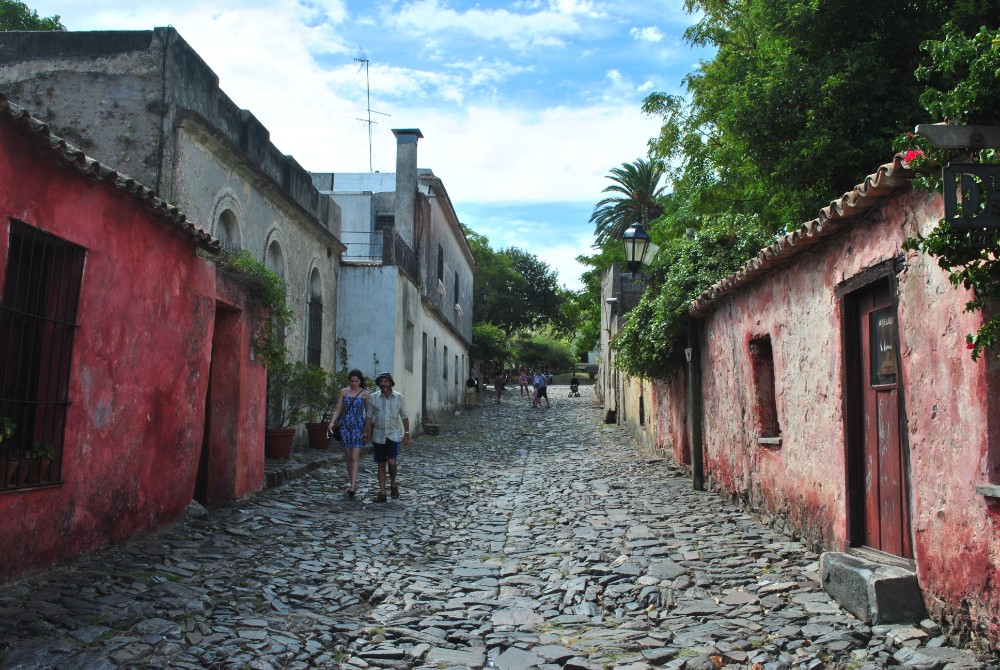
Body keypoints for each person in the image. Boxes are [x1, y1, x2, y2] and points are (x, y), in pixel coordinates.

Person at [365, 371, 410, 502]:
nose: (383, 383)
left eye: (386, 381)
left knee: (392, 461)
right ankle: (382, 492)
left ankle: (393, 483)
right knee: (380, 464)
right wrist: (366, 431)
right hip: (378, 435)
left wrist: (406, 433)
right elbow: (369, 416)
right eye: (381, 381)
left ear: (390, 383)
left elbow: (405, 416)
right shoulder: (374, 397)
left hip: (393, 434)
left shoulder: (399, 397)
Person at [327, 369, 369, 497]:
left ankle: (353, 485)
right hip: (345, 426)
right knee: (348, 456)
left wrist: (366, 429)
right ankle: (351, 481)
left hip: (358, 426)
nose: (354, 383)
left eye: (356, 381)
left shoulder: (365, 394)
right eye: (352, 381)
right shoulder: (344, 392)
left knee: (354, 456)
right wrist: (332, 422)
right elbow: (338, 408)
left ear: (360, 381)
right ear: (349, 381)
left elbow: (368, 412)